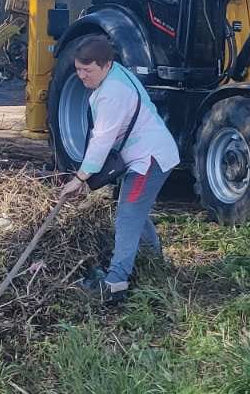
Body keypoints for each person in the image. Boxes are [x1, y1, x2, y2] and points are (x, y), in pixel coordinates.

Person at [59, 35, 180, 303]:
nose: (81, 76)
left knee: (128, 215)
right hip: (149, 153)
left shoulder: (112, 94)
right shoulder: (115, 74)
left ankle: (115, 281)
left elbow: (102, 140)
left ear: (105, 65)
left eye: (87, 70)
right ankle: (154, 261)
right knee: (135, 211)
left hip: (148, 160)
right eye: (78, 69)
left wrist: (80, 178)